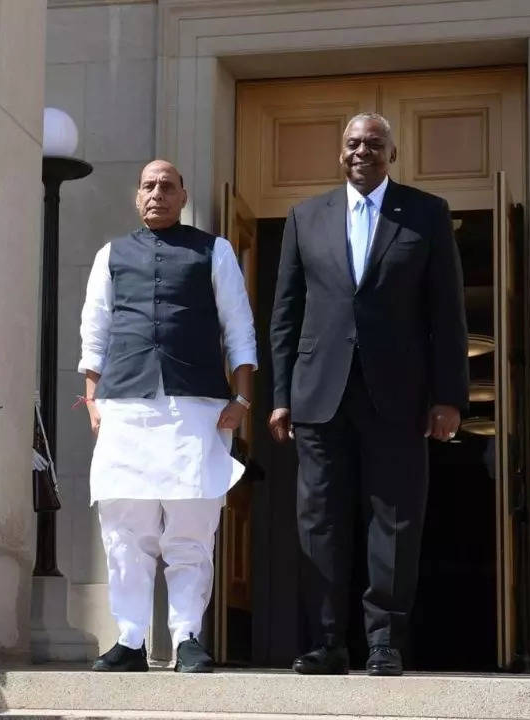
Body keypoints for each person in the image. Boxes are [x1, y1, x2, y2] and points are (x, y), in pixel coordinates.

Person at [268, 112, 468, 676]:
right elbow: (285, 315)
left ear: (391, 154)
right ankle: (326, 642)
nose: (362, 152)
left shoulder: (426, 214)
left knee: (396, 519)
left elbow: (446, 316)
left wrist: (449, 395)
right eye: (353, 144)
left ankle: (384, 640)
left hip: (399, 396)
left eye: (374, 144)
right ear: (340, 153)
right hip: (318, 395)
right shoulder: (306, 217)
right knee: (319, 520)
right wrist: (279, 393)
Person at [78, 159, 256, 673]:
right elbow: (96, 330)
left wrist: (241, 400)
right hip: (124, 408)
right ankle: (130, 639)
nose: (157, 193)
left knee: (191, 530)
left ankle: (187, 639)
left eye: (167, 186)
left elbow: (239, 328)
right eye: (148, 185)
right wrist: (92, 399)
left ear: (183, 196)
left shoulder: (214, 250)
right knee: (124, 531)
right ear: (137, 196)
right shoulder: (110, 254)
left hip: (196, 409)